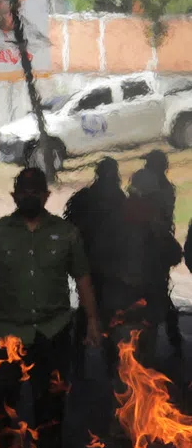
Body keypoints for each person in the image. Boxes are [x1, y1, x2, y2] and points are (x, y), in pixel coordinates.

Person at [0, 167, 100, 448]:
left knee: (50, 404)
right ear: (15, 196)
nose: (29, 196)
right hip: (8, 331)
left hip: (52, 332)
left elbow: (82, 278)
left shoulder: (66, 233)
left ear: (45, 196)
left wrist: (93, 319)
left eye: (35, 191)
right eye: (23, 191)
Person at [100, 169, 183, 373]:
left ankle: (120, 379)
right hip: (143, 292)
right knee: (142, 346)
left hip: (124, 292)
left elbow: (101, 254)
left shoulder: (116, 215)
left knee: (122, 343)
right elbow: (173, 254)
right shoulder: (152, 218)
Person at [64, 157, 125, 367]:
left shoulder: (87, 197)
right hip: (102, 264)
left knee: (90, 310)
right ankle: (106, 360)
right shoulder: (116, 199)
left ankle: (83, 359)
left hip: (95, 264)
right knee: (104, 311)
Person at [141, 148, 182, 356]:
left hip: (154, 249)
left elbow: (157, 222)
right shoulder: (161, 187)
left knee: (156, 295)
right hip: (154, 248)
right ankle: (173, 338)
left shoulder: (160, 190)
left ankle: (165, 339)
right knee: (158, 293)